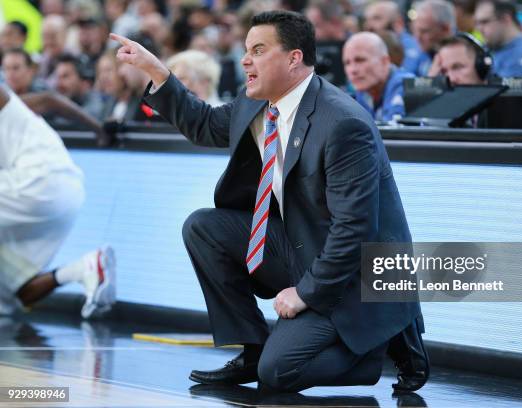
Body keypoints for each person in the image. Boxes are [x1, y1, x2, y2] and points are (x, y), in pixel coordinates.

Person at [111, 9, 427, 393]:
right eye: (246, 50)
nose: (245, 60)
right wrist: (158, 71)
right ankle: (253, 349)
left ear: (294, 58)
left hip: (356, 277)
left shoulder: (344, 123)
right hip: (301, 248)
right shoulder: (257, 100)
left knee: (279, 373)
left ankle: (376, 349)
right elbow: (206, 125)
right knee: (203, 227)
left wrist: (305, 293)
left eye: (258, 50)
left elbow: (355, 230)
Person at [0, 85, 116, 319]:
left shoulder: (10, 107)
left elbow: (48, 99)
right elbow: (49, 100)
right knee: (15, 290)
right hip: (66, 193)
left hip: (37, 180)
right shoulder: (16, 112)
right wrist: (98, 128)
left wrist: (99, 128)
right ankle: (85, 268)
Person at [343, 32, 411, 122]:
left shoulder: (406, 86)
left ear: (384, 62)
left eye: (360, 60)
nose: (353, 70)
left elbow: (392, 134)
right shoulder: (362, 91)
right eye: (347, 63)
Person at [363, 1, 424, 76]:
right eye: (367, 20)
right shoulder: (365, 49)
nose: (369, 26)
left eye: (377, 18)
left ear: (398, 23)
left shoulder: (416, 47)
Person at [474, 0, 522, 77]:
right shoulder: (484, 50)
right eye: (477, 23)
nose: (479, 29)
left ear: (505, 19)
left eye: (485, 22)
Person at [411, 0, 457, 76]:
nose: (417, 37)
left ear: (446, 29)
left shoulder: (464, 57)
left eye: (424, 31)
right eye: (414, 30)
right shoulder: (421, 54)